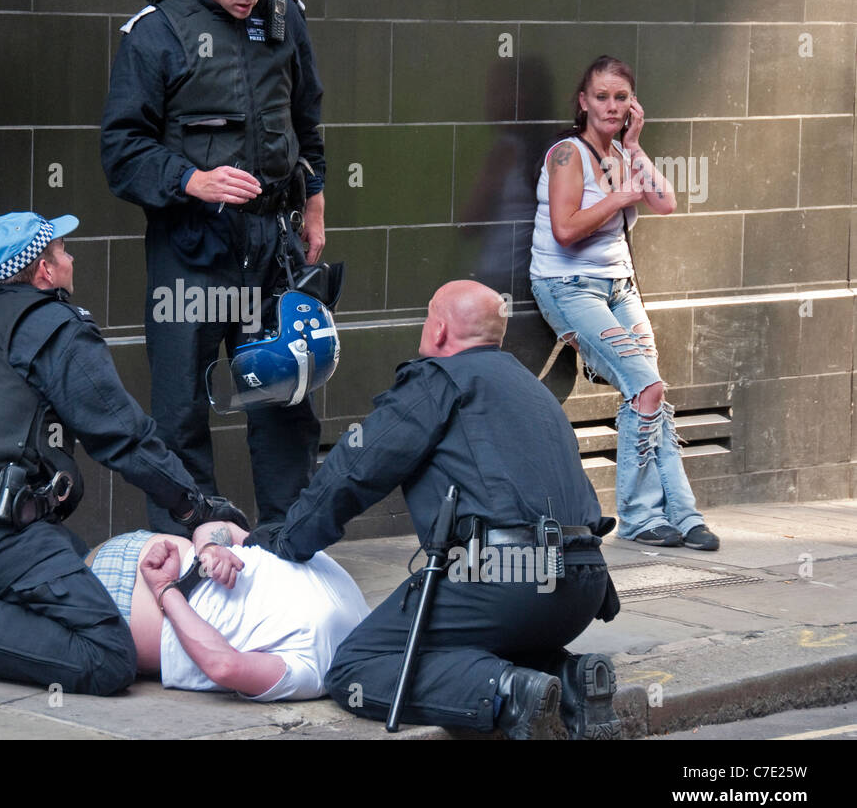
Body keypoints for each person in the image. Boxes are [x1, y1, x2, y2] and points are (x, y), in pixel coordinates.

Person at [0, 211, 243, 696]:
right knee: (108, 656)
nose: (71, 258)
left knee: (78, 570)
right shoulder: (52, 325)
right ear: (44, 271)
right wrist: (194, 506)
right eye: (63, 251)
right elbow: (122, 435)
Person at [247, 280, 622, 739]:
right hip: (583, 587)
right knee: (465, 643)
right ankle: (568, 680)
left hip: (506, 579)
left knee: (356, 665)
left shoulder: (437, 379)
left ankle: (506, 691)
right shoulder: (532, 389)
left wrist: (289, 539)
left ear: (439, 329)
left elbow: (356, 469)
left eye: (427, 317)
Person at [100, 0, 327, 536]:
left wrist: (315, 203)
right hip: (192, 245)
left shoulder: (287, 18)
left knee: (285, 393)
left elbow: (307, 121)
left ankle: (289, 546)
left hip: (272, 241)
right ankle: (190, 553)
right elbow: (121, 151)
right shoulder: (156, 31)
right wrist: (191, 180)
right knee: (180, 412)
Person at [529, 56, 720, 552]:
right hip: (567, 287)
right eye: (602, 96)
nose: (611, 106)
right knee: (647, 386)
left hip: (619, 287)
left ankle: (682, 512)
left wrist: (633, 146)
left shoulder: (621, 152)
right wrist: (618, 198)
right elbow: (566, 230)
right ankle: (640, 515)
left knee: (650, 391)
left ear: (632, 104)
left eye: (621, 97)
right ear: (583, 102)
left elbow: (665, 202)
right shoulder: (566, 155)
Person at [86, 521, 369, 701]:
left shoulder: (322, 671)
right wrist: (211, 547)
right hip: (144, 552)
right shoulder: (336, 574)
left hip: (118, 612)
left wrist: (164, 590)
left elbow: (225, 666)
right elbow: (226, 528)